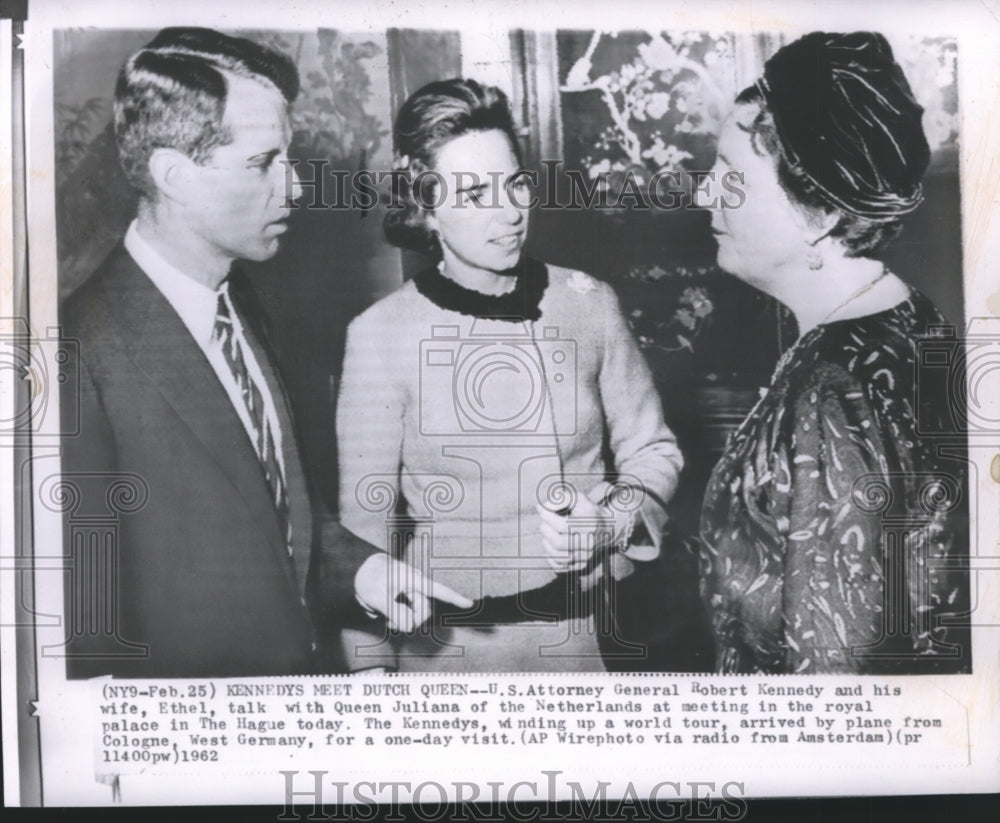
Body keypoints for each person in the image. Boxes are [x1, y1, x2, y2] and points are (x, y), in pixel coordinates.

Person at [59, 27, 468, 678]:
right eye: (262, 162)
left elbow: (277, 516)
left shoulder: (244, 304)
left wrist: (362, 571)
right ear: (174, 175)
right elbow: (84, 644)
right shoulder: (75, 355)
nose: (296, 188)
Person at [336, 78, 683, 673]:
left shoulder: (589, 302)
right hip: (446, 662)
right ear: (426, 207)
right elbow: (360, 536)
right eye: (473, 195)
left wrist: (611, 520)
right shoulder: (380, 334)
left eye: (515, 183)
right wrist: (372, 683)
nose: (509, 213)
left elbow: (653, 450)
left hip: (586, 650)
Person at [697, 32, 970, 674]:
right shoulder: (907, 313)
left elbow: (834, 677)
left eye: (731, 176)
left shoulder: (832, 390)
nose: (706, 195)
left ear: (818, 209)